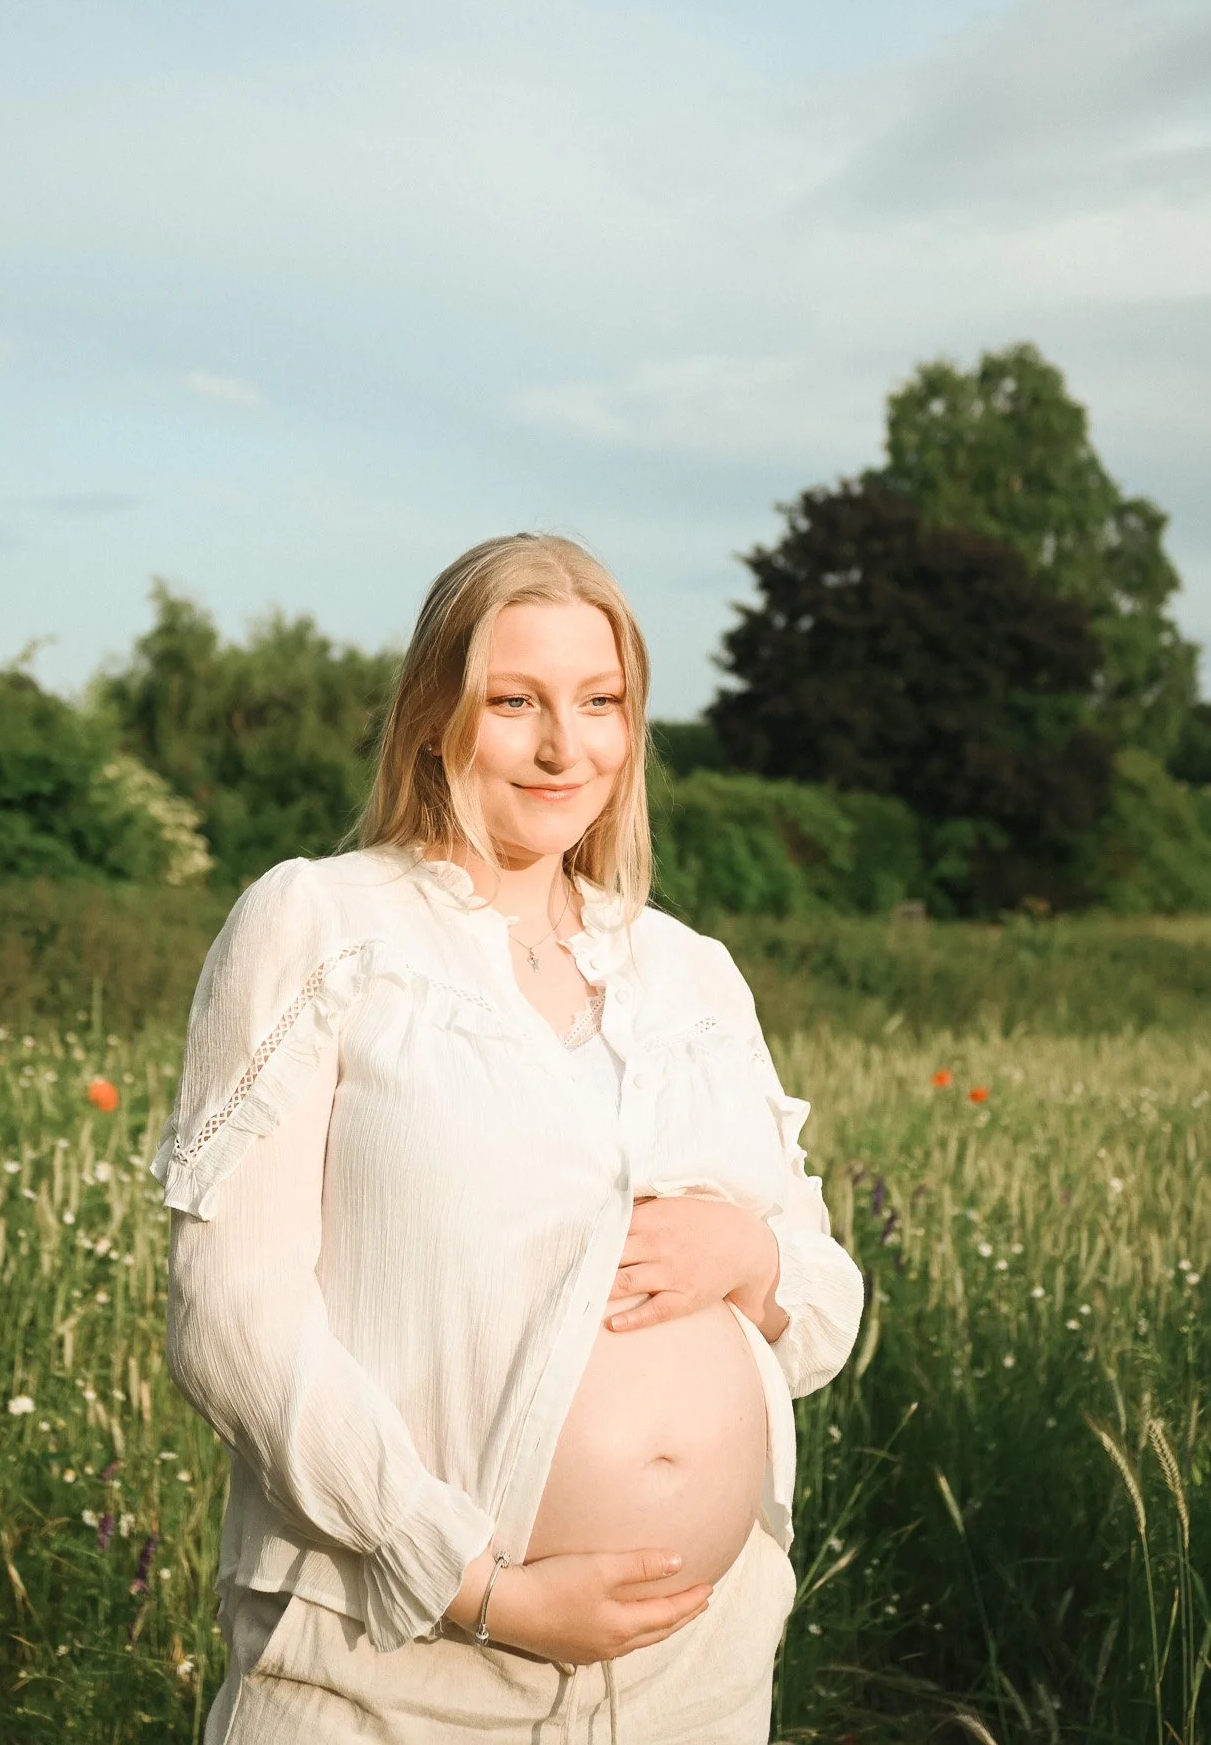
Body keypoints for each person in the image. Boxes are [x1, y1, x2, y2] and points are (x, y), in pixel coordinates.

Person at [156, 532, 864, 1745]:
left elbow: (827, 1311)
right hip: (398, 1668)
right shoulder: (321, 922)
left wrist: (748, 1253)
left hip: (697, 1677)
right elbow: (232, 1319)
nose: (564, 746)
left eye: (601, 702)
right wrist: (479, 1582)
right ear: (436, 714)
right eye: (515, 701)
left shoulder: (689, 969)